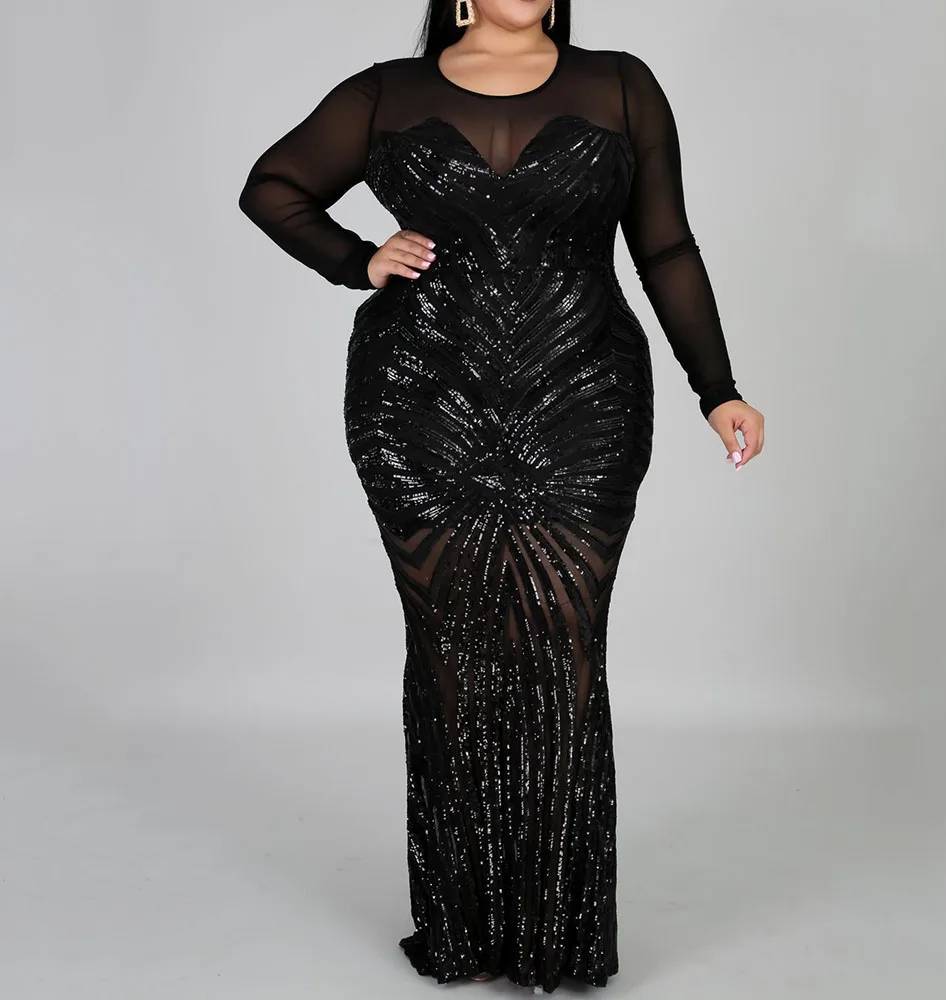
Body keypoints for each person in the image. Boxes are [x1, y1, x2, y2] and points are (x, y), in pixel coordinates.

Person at [237, 0, 765, 993]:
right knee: (449, 652)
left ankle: (557, 933)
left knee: (566, 648)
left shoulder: (620, 84)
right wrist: (356, 259)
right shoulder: (385, 94)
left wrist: (717, 386)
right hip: (421, 402)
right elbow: (272, 187)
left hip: (584, 396)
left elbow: (665, 248)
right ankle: (465, 926)